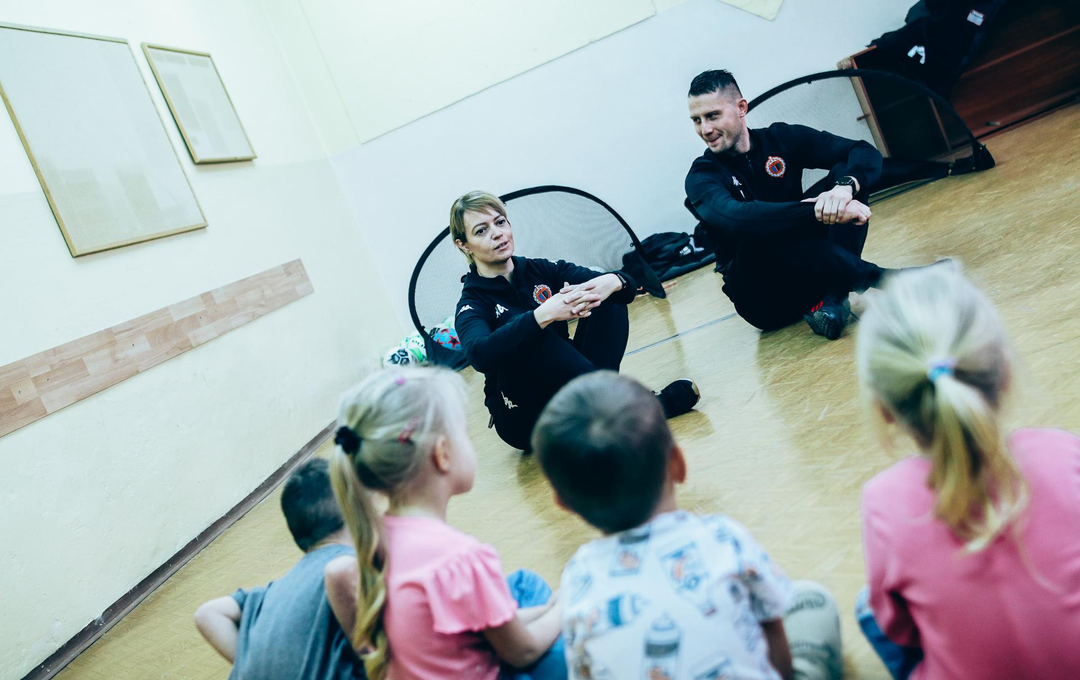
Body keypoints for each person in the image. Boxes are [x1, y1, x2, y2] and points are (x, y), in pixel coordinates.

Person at [532, 371, 843, 680]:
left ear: (563, 503)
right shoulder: (723, 536)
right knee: (811, 599)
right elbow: (773, 633)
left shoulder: (576, 578)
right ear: (678, 464)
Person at [855, 264, 1080, 680]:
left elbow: (897, 628)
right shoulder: (1063, 452)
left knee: (866, 607)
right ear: (1005, 372)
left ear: (884, 409)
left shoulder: (882, 503)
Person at [323, 366, 567, 680]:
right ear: (443, 453)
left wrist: (549, 610)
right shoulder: (459, 557)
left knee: (524, 585)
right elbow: (524, 652)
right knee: (566, 634)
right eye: (464, 433)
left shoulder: (377, 543)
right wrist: (566, 604)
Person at [684, 69, 925, 340]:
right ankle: (886, 280)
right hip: (765, 300)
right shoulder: (702, 176)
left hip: (810, 270)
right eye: (697, 120)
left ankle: (832, 301)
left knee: (845, 174)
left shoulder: (780, 139)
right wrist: (814, 211)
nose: (705, 129)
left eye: (712, 116)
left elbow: (861, 150)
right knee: (759, 230)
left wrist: (845, 188)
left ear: (741, 108)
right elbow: (738, 218)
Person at [451, 190, 699, 451]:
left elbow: (625, 287)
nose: (497, 233)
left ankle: (605, 410)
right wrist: (543, 315)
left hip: (572, 392)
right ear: (464, 245)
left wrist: (614, 281)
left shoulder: (541, 270)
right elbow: (479, 354)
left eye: (500, 222)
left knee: (608, 300)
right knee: (531, 333)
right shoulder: (472, 302)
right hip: (524, 419)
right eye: (481, 231)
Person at [193, 458, 365, 680]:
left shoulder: (274, 593)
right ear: (356, 512)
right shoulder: (352, 568)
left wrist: (251, 666)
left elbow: (207, 614)